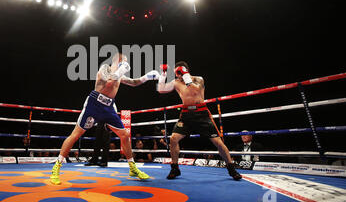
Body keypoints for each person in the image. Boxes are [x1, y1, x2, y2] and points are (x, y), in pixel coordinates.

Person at [49, 53, 160, 185]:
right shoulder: (104, 69)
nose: (126, 63)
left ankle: (132, 168)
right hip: (94, 104)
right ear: (117, 61)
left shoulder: (119, 75)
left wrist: (148, 76)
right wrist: (120, 70)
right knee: (76, 134)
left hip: (108, 107)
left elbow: (134, 82)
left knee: (124, 135)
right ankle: (56, 167)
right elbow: (108, 83)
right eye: (124, 61)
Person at [157, 62, 242, 180]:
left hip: (202, 114)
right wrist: (163, 74)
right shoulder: (176, 82)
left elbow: (195, 91)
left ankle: (231, 169)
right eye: (177, 73)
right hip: (186, 114)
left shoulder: (198, 79)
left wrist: (185, 75)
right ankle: (175, 168)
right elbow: (161, 89)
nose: (178, 75)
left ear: (186, 70)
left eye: (180, 72)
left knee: (217, 141)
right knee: (173, 139)